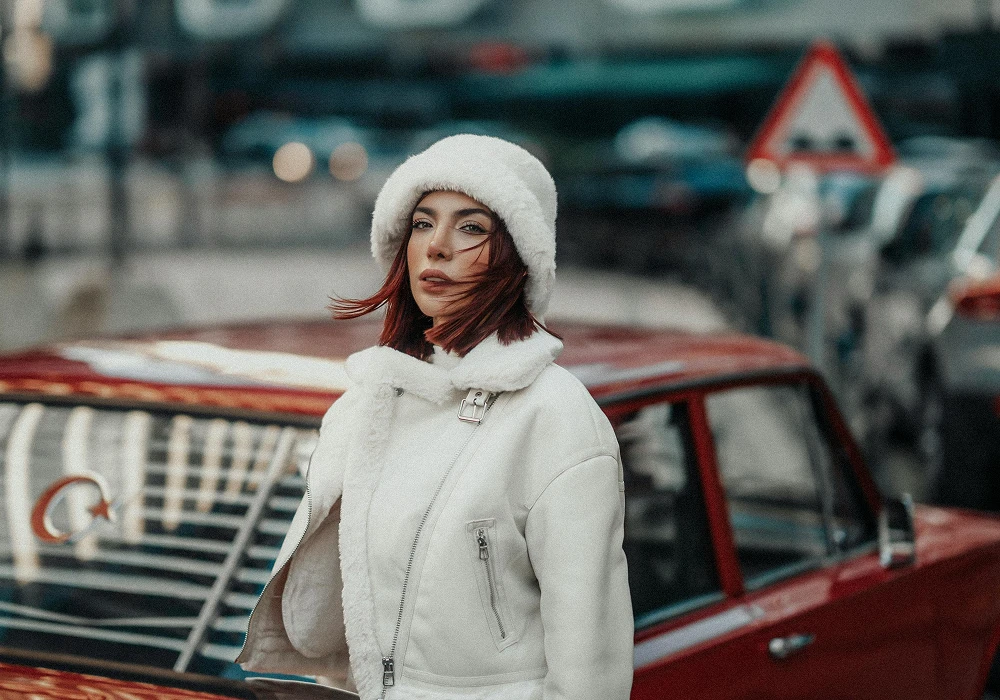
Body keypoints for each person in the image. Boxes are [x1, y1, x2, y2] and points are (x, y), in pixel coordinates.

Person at [237, 135, 634, 700]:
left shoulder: (556, 416)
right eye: (423, 223)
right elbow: (340, 625)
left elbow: (589, 676)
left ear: (516, 256)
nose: (438, 246)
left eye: (471, 227)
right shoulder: (367, 404)